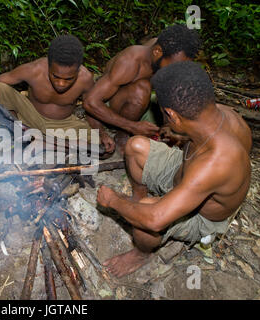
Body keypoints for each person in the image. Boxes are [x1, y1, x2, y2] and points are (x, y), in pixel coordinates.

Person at [96, 61, 252, 277]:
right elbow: (203, 152)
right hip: (186, 171)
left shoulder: (216, 162)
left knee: (146, 218)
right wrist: (181, 136)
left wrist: (112, 201)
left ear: (172, 115)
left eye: (162, 113)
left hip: (202, 215)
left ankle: (142, 254)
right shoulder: (217, 116)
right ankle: (137, 199)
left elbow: (154, 218)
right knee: (136, 146)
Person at [0, 34, 115, 157]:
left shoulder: (85, 79)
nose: (61, 83)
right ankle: (28, 135)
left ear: (78, 70)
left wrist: (102, 133)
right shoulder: (34, 70)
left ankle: (44, 144)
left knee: (104, 150)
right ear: (49, 65)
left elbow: (91, 109)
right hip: (28, 117)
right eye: (55, 76)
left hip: (63, 125)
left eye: (69, 79)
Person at [84, 24, 201, 155]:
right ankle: (122, 136)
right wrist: (130, 127)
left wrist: (168, 126)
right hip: (113, 104)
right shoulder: (129, 62)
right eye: (175, 66)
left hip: (142, 105)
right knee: (142, 89)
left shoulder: (168, 49)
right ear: (157, 52)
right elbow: (90, 102)